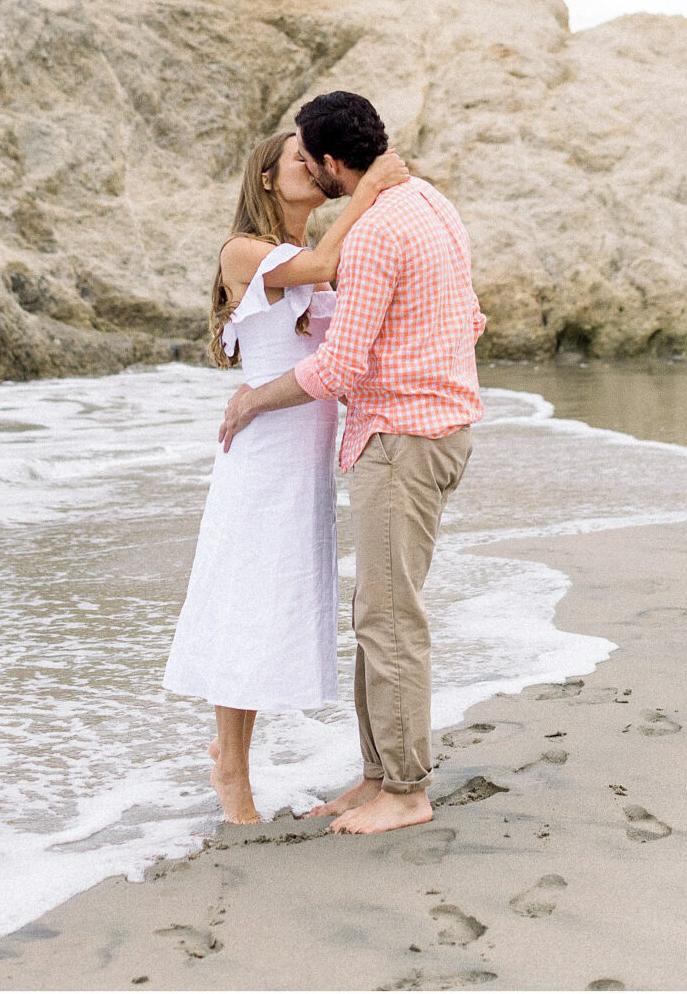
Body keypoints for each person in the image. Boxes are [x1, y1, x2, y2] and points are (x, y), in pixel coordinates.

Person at [219, 91, 487, 836]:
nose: (304, 166)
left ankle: (404, 789)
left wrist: (250, 402)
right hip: (425, 426)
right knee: (379, 612)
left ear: (335, 164)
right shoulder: (429, 201)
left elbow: (337, 365)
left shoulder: (368, 237)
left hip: (402, 436)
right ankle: (377, 775)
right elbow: (469, 313)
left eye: (309, 157)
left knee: (389, 617)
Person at [163, 129, 409, 824]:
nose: (310, 164)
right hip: (263, 455)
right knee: (244, 602)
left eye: (315, 158)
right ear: (267, 179)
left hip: (307, 460)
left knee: (274, 607)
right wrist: (369, 189)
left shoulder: (310, 257)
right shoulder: (243, 251)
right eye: (298, 159)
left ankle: (236, 758)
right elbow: (325, 261)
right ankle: (231, 771)